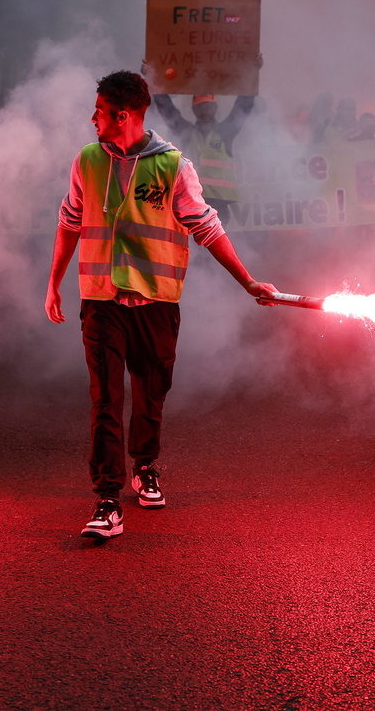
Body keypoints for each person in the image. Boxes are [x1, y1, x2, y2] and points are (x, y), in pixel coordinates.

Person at [45, 70, 277, 540]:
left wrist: (248, 281)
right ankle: (108, 499)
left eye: (99, 111)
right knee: (105, 399)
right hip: (101, 299)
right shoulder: (86, 161)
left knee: (150, 394)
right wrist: (53, 282)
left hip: (156, 302)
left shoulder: (173, 165)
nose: (92, 118)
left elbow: (207, 228)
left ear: (123, 114)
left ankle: (145, 465)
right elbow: (69, 221)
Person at [142, 56, 262, 214]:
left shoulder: (225, 132)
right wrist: (151, 77)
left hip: (218, 205)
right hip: (193, 202)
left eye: (208, 106)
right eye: (201, 107)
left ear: (215, 108)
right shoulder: (188, 133)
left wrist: (253, 72)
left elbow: (244, 106)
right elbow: (166, 108)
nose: (205, 110)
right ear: (194, 110)